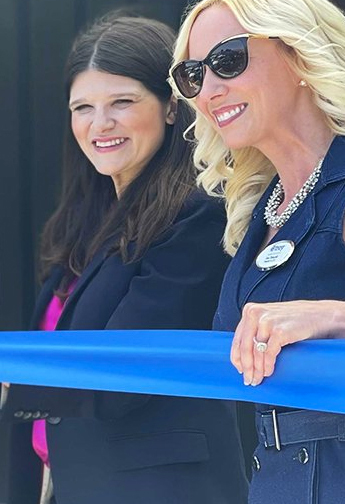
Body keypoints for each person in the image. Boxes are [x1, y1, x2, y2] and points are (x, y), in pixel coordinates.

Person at [0, 14, 248, 504]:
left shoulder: (197, 216)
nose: (100, 124)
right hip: (64, 481)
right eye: (83, 107)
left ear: (172, 108)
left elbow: (124, 370)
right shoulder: (88, 221)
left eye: (122, 102)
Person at [170, 0, 345, 501]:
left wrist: (330, 317)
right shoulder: (262, 207)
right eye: (193, 75)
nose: (209, 90)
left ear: (298, 54)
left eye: (228, 60)